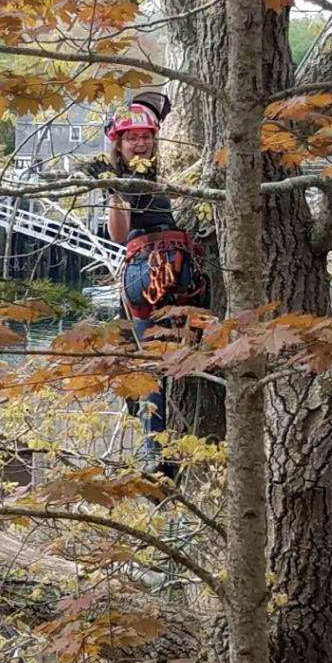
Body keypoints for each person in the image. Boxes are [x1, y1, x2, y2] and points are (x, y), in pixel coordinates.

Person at [105, 93, 206, 472]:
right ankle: (153, 451)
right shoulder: (122, 181)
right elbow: (118, 234)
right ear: (119, 144)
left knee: (176, 352)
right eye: (131, 138)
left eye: (145, 136)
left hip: (180, 264)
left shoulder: (165, 171)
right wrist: (116, 191)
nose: (140, 143)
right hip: (147, 264)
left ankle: (161, 446)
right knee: (151, 359)